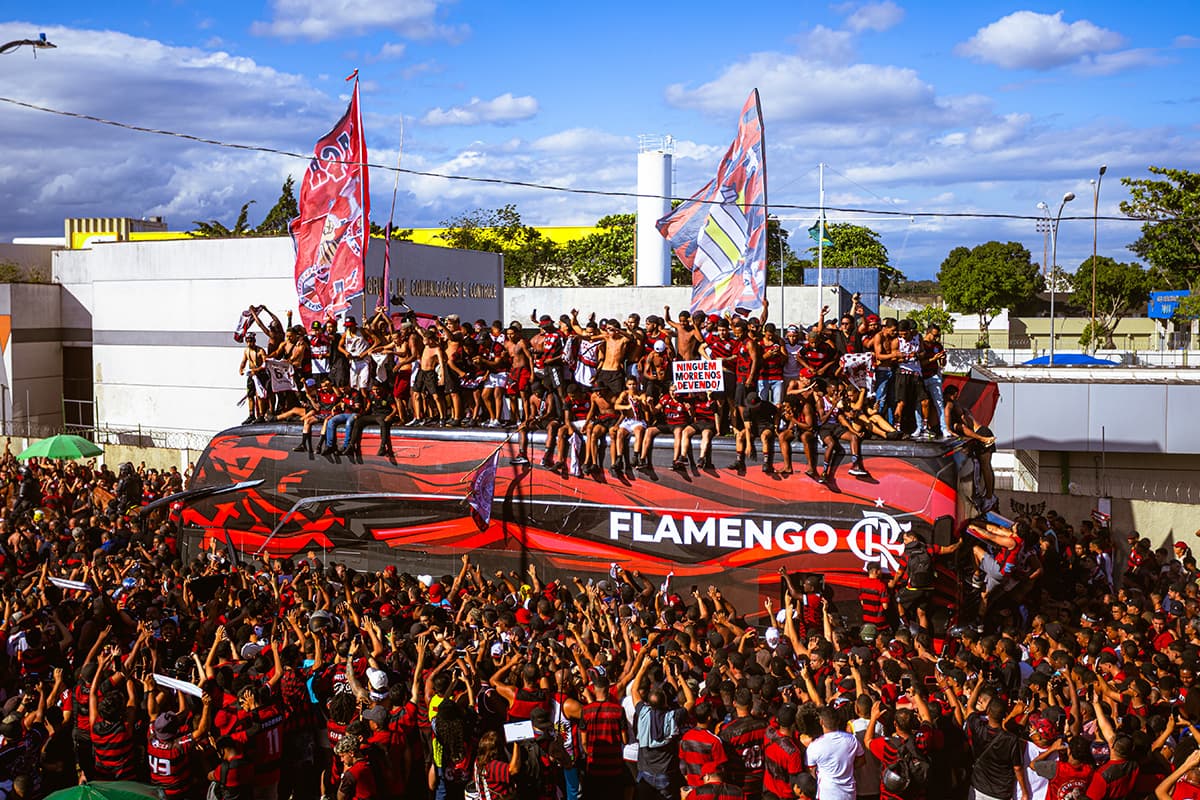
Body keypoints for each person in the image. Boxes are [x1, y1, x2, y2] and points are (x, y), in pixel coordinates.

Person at [802, 706, 864, 800]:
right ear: (838, 721)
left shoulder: (814, 746)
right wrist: (846, 767)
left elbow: (810, 769)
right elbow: (861, 760)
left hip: (827, 795)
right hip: (848, 795)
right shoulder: (852, 740)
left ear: (821, 722)